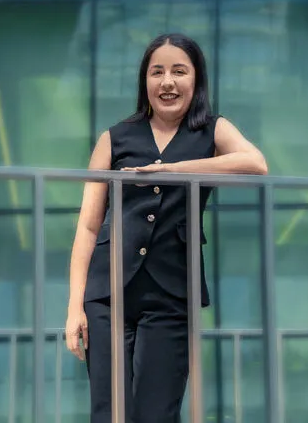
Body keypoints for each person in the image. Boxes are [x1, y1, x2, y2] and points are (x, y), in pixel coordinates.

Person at [63, 32, 268, 422]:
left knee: (156, 411)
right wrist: (75, 306)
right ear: (145, 81)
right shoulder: (114, 138)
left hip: (172, 293)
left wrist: (173, 171)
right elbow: (88, 228)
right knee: (109, 412)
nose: (167, 82)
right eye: (157, 72)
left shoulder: (211, 130)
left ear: (196, 79)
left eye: (179, 71)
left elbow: (255, 162)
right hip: (107, 292)